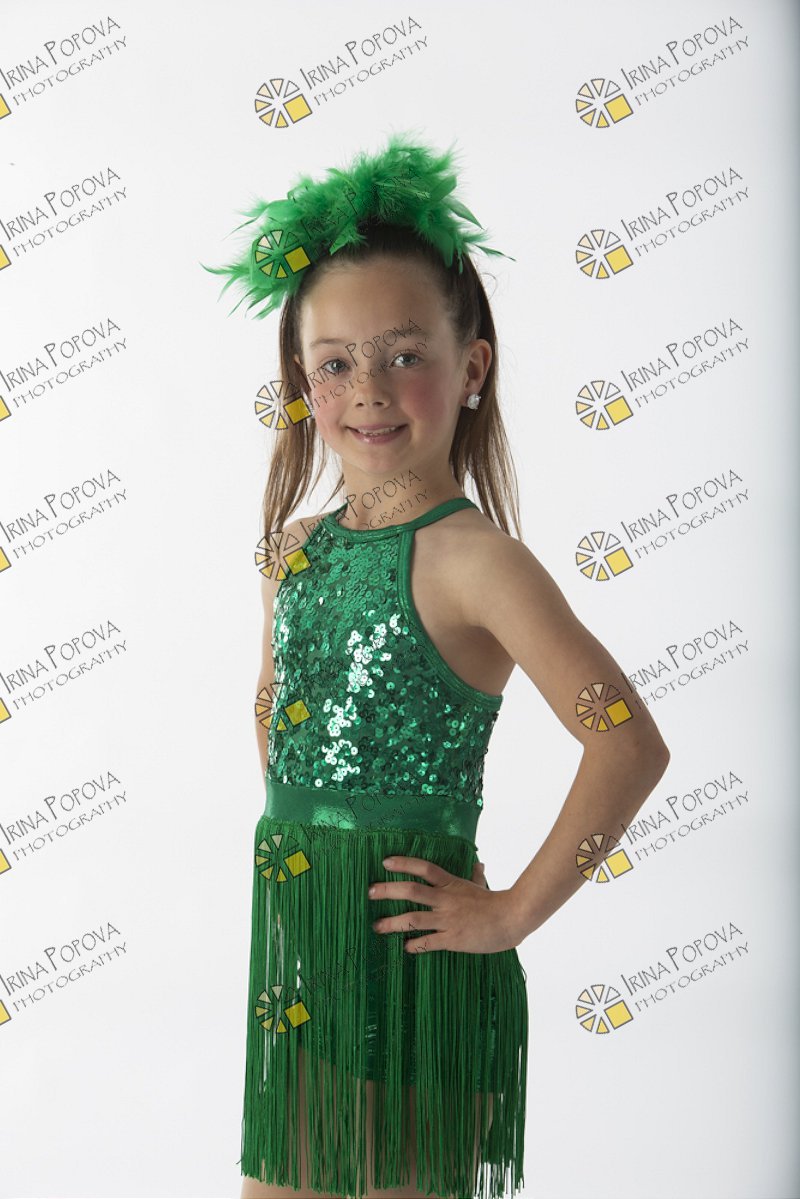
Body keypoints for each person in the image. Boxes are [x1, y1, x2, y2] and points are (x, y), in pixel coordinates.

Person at [203, 131, 671, 1199]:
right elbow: (276, 705)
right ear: (301, 382)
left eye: (404, 354)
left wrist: (508, 912)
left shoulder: (479, 564)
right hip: (307, 965)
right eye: (335, 362)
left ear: (471, 368)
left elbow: (627, 743)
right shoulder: (292, 550)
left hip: (422, 980)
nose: (368, 388)